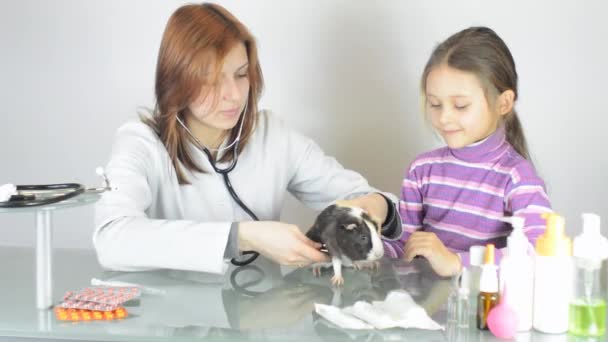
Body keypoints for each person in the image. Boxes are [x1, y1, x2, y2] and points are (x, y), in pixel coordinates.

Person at [93, 2, 401, 274]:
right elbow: (111, 238)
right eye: (210, 79)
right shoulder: (141, 142)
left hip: (259, 322)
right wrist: (242, 236)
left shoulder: (272, 135)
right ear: (176, 81)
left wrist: (375, 205)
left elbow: (367, 198)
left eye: (241, 74)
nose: (233, 95)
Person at [383, 27, 551, 276]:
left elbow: (542, 251)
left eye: (460, 106)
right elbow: (403, 246)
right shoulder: (421, 170)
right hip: (421, 310)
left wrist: (456, 262)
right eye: (435, 104)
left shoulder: (516, 177)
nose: (444, 117)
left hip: (484, 310)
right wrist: (362, 247)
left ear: (503, 103)